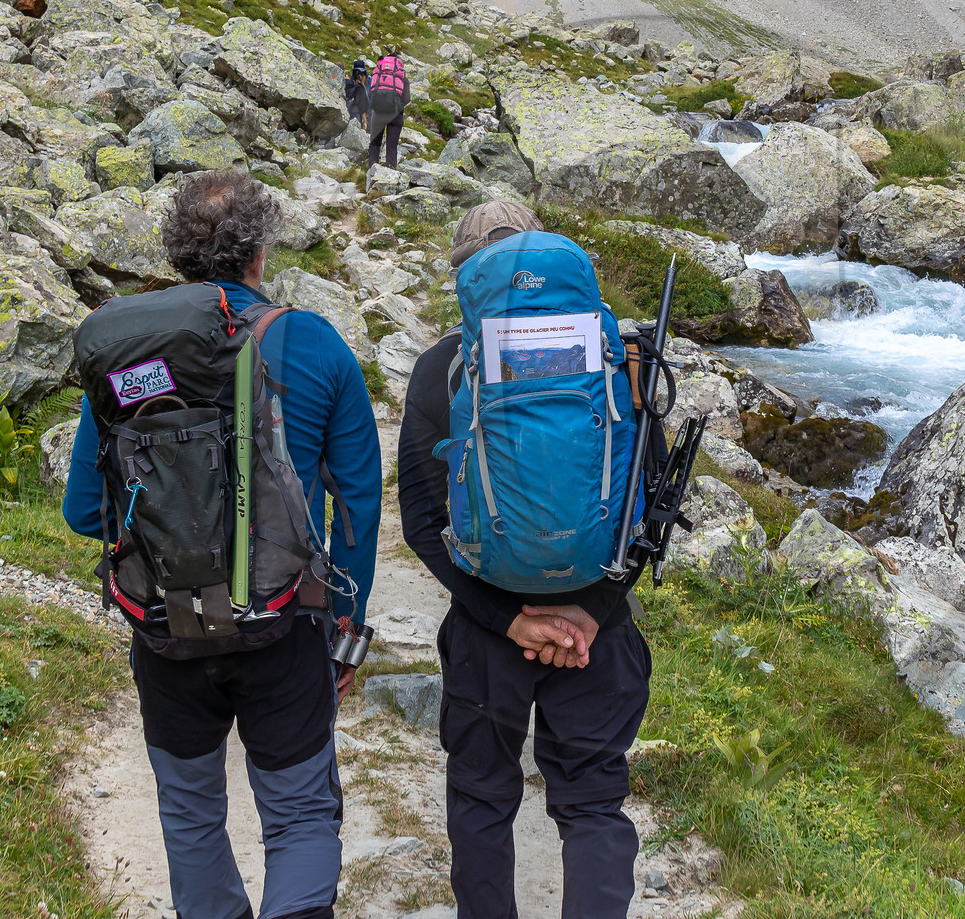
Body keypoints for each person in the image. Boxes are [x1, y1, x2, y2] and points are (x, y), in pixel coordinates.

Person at [62, 169, 383, 919]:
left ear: (177, 250)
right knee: (301, 813)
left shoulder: (124, 347)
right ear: (259, 254)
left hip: (165, 624)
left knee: (190, 814)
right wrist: (346, 614)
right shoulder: (308, 340)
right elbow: (359, 503)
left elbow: (86, 510)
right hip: (283, 624)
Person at [397, 200, 652, 919]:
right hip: (597, 632)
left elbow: (422, 522)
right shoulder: (619, 356)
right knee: (594, 802)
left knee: (481, 795)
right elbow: (648, 510)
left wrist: (509, 619)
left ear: (467, 278)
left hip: (486, 632)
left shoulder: (441, 368)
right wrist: (589, 611)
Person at [367, 47, 411, 170]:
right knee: (392, 145)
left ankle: (371, 171)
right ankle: (390, 172)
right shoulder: (401, 77)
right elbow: (407, 99)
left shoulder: (378, 73)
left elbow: (370, 93)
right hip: (395, 115)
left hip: (378, 114)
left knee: (375, 143)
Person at [343, 57, 370, 131]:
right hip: (357, 114)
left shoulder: (348, 84)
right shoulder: (361, 87)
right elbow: (362, 104)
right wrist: (365, 120)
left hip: (347, 113)